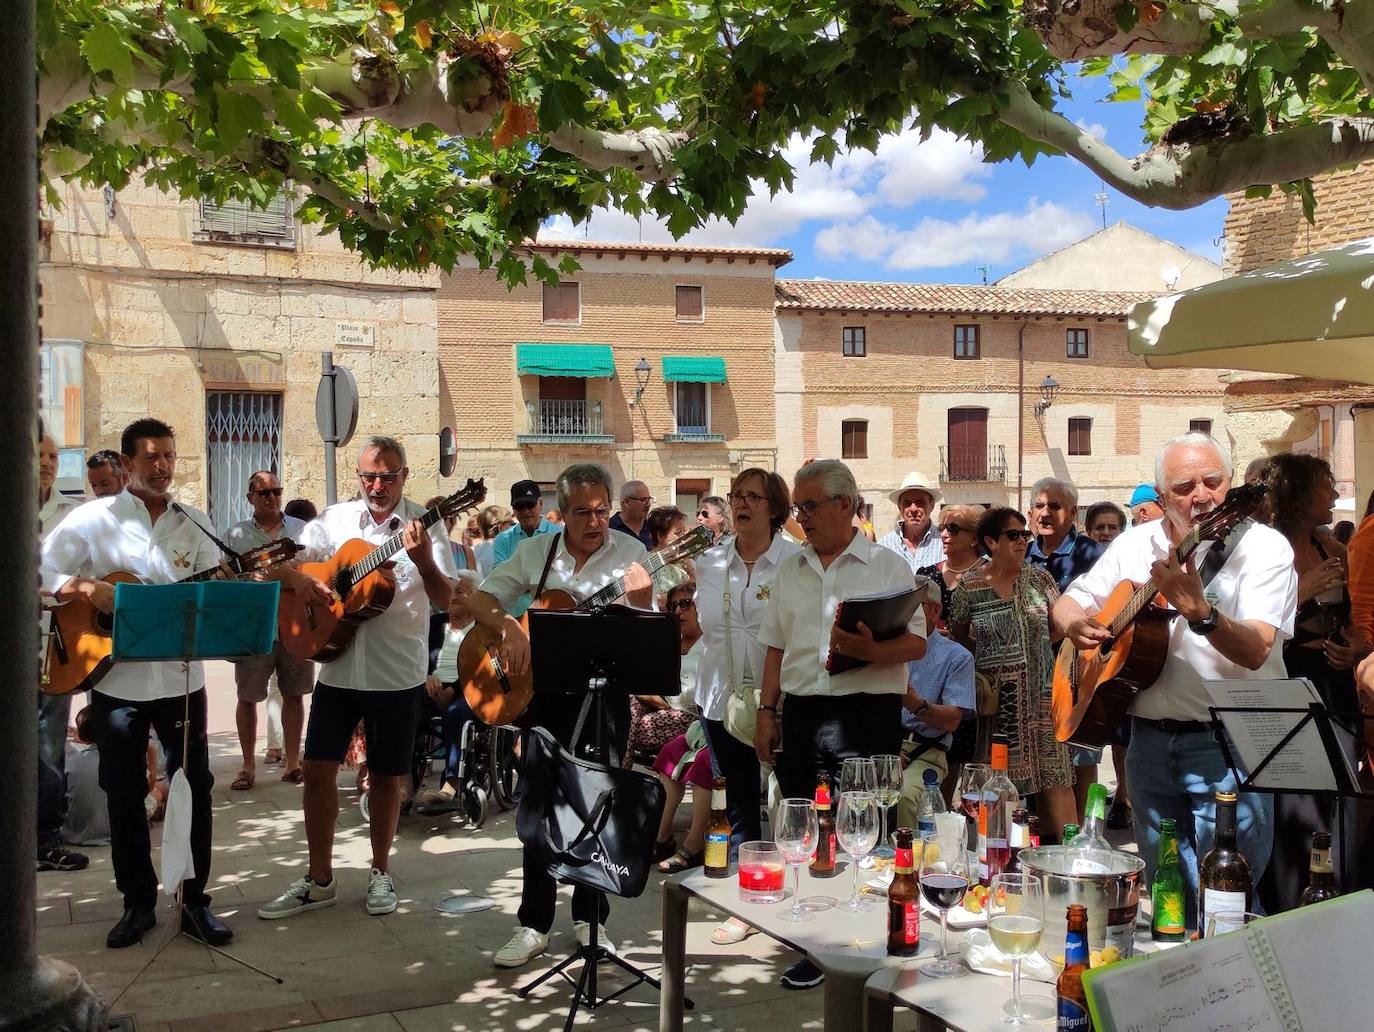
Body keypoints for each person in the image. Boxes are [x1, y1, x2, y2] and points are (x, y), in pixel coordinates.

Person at [1054, 431, 1297, 927]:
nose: (1201, 494)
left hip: (1229, 745)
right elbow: (1069, 600)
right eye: (1185, 485)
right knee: (1168, 900)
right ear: (1161, 496)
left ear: (1231, 486)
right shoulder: (1133, 543)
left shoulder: (1265, 548)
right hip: (1149, 743)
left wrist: (1201, 613)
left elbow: (1256, 649)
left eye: (1213, 481)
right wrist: (1075, 624)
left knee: (1228, 899)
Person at [41, 418, 232, 948]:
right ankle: (137, 902)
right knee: (123, 794)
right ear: (126, 464)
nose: (163, 465)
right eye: (151, 456)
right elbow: (34, 571)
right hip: (115, 680)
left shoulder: (195, 521)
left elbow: (218, 587)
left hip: (181, 676)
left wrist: (242, 585)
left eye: (169, 455)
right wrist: (84, 587)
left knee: (193, 788)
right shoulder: (91, 519)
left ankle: (194, 901)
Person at [258, 436, 458, 923]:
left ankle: (381, 870)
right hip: (339, 666)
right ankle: (319, 878)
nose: (377, 485)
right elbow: (281, 567)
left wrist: (425, 560)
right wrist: (302, 580)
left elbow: (447, 599)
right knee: (318, 769)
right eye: (369, 476)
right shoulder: (335, 521)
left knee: (389, 777)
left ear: (404, 477)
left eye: (388, 476)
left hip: (397, 673)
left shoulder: (422, 527)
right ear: (358, 476)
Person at [469, 462, 653, 970]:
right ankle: (533, 924)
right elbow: (480, 598)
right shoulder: (537, 552)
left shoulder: (634, 555)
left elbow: (644, 634)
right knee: (540, 805)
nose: (594, 522)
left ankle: (592, 922)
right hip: (545, 696)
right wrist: (507, 624)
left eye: (601, 511)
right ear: (560, 513)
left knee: (599, 809)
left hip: (605, 697)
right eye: (582, 513)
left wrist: (641, 603)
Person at [754, 459, 927, 990]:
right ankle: (818, 944)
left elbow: (917, 643)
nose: (801, 518)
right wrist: (767, 712)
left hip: (867, 715)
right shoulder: (789, 569)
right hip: (803, 713)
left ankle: (872, 938)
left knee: (864, 832)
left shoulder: (887, 567)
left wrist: (870, 651)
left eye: (810, 506)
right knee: (806, 833)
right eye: (798, 508)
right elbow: (776, 648)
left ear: (847, 505)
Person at [1256, 455, 1372, 911]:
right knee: (1288, 798)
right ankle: (1284, 896)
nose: (1334, 493)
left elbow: (1353, 622)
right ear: (1300, 494)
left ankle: (1330, 894)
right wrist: (1300, 589)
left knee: (1334, 795)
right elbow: (1257, 631)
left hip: (1333, 685)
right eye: (1326, 484)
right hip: (1287, 682)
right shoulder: (1269, 549)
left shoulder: (1334, 548)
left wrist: (1354, 648)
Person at [693, 466, 799, 945]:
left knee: (789, 803)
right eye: (737, 495)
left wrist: (770, 708)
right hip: (722, 698)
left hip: (785, 702)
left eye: (754, 497)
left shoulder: (798, 562)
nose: (742, 504)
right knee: (739, 804)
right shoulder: (709, 563)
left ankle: (794, 893)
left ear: (775, 509)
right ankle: (747, 898)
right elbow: (700, 629)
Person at [950, 507, 1076, 837]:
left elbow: (1059, 624)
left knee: (1056, 781)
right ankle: (997, 864)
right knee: (997, 790)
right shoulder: (969, 588)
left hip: (1042, 698)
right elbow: (960, 640)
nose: (1022, 541)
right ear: (991, 541)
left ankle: (1070, 862)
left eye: (1025, 535)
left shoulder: (1039, 579)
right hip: (998, 706)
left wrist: (1035, 650)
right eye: (1013, 535)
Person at [224, 471, 313, 790]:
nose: (272, 497)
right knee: (247, 697)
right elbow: (225, 579)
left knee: (294, 694)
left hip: (296, 624)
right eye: (264, 493)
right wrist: (253, 578)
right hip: (254, 627)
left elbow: (318, 568)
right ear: (250, 498)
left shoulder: (303, 529)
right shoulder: (235, 535)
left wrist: (285, 574)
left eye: (276, 491)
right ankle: (247, 765)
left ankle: (292, 761)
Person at [1026, 477, 1106, 821]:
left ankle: (1090, 833)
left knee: (1082, 758)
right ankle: (1047, 833)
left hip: (1083, 669)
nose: (1046, 513)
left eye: (1055, 506)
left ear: (1072, 513)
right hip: (1035, 672)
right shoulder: (1022, 553)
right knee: (1042, 755)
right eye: (1040, 506)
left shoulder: (1094, 554)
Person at [36, 430, 88, 875]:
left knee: (50, 748)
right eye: (39, 454)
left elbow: (86, 580)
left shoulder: (72, 515)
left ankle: (46, 840)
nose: (48, 462)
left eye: (53, 455)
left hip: (54, 649)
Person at [896, 576, 975, 830]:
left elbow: (952, 720)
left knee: (905, 796)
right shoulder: (886, 648)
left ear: (935, 610)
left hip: (926, 753)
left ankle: (907, 865)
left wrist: (916, 704)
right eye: (900, 605)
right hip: (881, 745)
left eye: (912, 605)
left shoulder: (956, 657)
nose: (904, 613)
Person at [649, 582, 711, 872]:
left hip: (704, 719)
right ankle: (661, 837)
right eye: (673, 606)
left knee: (704, 762)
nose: (679, 611)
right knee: (669, 754)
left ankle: (695, 844)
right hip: (691, 726)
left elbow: (689, 698)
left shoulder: (710, 644)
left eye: (686, 604)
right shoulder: (671, 643)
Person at [415, 570, 482, 811]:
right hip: (432, 686)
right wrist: (426, 676)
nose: (453, 596)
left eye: (461, 592)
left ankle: (451, 783)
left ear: (476, 597)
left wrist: (454, 689)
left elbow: (482, 669)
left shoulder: (481, 629)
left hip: (468, 691)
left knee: (456, 712)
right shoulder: (435, 624)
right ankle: (402, 781)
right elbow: (417, 656)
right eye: (452, 591)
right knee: (408, 705)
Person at [877, 472, 945, 572]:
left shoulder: (945, 543)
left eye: (920, 502)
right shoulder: (884, 546)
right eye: (907, 503)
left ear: (932, 505)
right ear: (900, 507)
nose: (913, 509)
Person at [609, 478, 655, 547]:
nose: (648, 505)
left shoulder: (654, 528)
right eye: (643, 500)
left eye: (649, 499)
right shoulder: (609, 529)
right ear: (627, 502)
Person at [472, 503, 513, 576]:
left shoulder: (472, 551)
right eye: (511, 524)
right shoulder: (508, 551)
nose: (514, 528)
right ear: (501, 528)